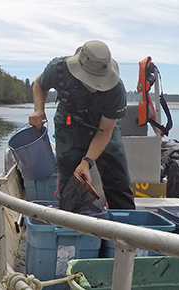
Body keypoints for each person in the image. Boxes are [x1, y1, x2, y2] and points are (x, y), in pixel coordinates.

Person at [28, 40, 135, 210]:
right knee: (70, 179)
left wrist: (87, 161)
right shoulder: (57, 69)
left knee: (118, 178)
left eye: (99, 81)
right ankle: (70, 223)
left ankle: (125, 228)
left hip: (103, 127)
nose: (95, 86)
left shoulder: (116, 90)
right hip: (69, 124)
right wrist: (38, 110)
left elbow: (105, 132)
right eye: (91, 80)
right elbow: (39, 84)